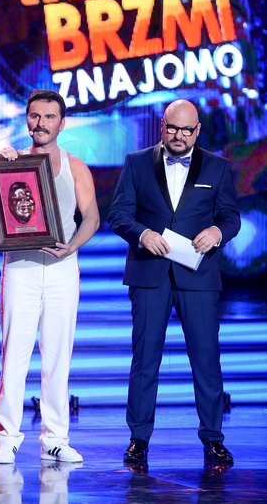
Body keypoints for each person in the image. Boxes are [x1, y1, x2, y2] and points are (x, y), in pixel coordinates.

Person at [107, 99, 241, 466]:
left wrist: (217, 231)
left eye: (186, 130)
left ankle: (213, 438)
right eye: (172, 128)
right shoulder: (136, 162)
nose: (179, 135)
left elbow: (231, 216)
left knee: (206, 359)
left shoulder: (217, 166)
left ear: (198, 131)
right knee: (145, 359)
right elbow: (118, 214)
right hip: (149, 274)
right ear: (162, 126)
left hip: (198, 275)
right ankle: (138, 439)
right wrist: (142, 234)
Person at [0, 89, 100, 464]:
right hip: (20, 268)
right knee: (14, 354)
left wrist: (71, 246)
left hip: (63, 269)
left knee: (58, 356)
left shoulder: (75, 165)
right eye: (35, 116)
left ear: (62, 123)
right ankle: (7, 438)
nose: (41, 123)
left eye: (49, 117)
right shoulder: (12, 161)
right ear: (26, 120)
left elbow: (92, 217)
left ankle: (55, 438)